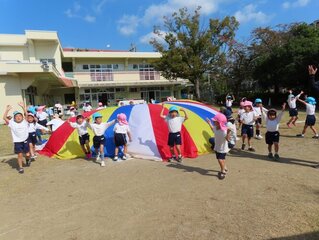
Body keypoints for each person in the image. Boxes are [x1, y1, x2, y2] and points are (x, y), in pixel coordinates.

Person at [3, 103, 30, 174]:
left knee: (27, 154)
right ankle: (21, 168)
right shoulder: (12, 123)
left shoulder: (25, 122)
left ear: (22, 117)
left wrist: (23, 107)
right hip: (17, 142)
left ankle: (27, 160)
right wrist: (7, 110)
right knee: (20, 155)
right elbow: (4, 118)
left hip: (25, 140)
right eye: (16, 116)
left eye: (20, 116)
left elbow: (26, 114)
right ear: (14, 118)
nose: (18, 117)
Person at [206, 113, 230, 180]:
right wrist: (209, 123)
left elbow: (228, 140)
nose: (213, 121)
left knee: (220, 159)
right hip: (218, 147)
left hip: (222, 149)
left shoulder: (224, 131)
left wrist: (228, 133)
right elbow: (212, 129)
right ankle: (225, 167)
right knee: (222, 159)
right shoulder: (216, 128)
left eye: (215, 121)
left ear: (219, 122)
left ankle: (223, 171)